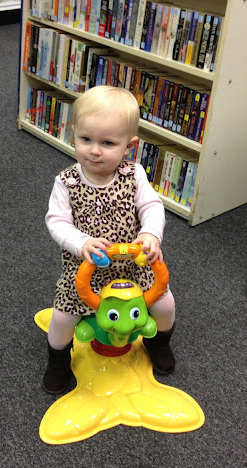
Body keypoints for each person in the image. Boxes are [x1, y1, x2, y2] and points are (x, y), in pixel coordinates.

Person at [43, 85, 177, 394]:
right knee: (62, 318)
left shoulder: (134, 174)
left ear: (129, 146)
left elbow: (152, 206)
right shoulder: (66, 182)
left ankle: (159, 343)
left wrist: (150, 233)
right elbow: (57, 222)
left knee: (165, 304)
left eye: (107, 143)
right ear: (73, 134)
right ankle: (58, 361)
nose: (94, 150)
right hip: (85, 271)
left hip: (133, 267)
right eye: (86, 139)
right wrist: (82, 243)